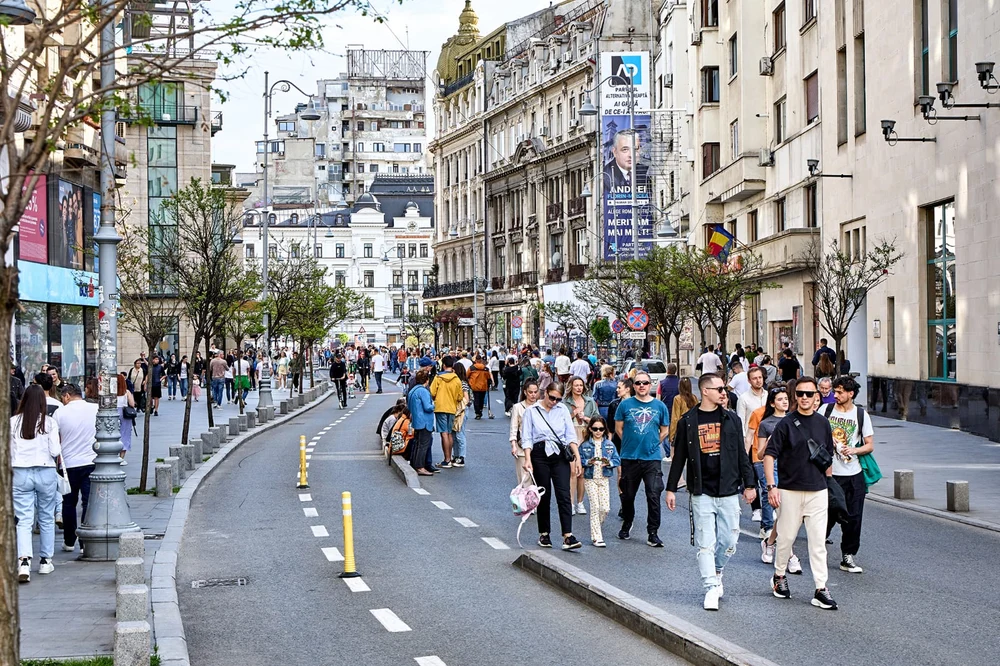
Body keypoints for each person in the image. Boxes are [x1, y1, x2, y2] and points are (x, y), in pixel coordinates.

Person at [665, 372, 756, 611]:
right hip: (701, 490)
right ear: (705, 391)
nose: (723, 393)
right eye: (719, 389)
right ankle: (710, 588)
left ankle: (718, 569)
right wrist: (671, 488)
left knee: (729, 540)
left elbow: (741, 455)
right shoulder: (688, 421)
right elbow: (679, 458)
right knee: (705, 543)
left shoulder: (732, 419)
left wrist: (749, 484)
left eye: (724, 389)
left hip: (728, 489)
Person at [763, 376, 838, 611]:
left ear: (817, 396)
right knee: (786, 538)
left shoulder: (823, 424)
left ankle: (820, 588)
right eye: (801, 394)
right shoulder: (785, 424)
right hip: (789, 490)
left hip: (817, 491)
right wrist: (771, 486)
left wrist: (829, 482)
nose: (805, 398)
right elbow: (769, 455)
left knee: (817, 543)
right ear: (795, 396)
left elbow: (827, 456)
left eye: (810, 394)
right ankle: (779, 576)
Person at [520, 382, 583, 551]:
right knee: (544, 495)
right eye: (552, 397)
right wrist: (527, 459)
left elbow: (570, 435)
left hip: (559, 454)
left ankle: (568, 536)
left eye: (558, 399)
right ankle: (544, 533)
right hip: (539, 454)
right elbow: (526, 437)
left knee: (564, 494)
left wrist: (577, 458)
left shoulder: (562, 410)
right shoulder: (531, 411)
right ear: (545, 393)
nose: (554, 402)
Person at [822, 376, 874, 574]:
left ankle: (848, 555)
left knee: (854, 517)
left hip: (854, 473)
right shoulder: (825, 411)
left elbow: (869, 445)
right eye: (835, 391)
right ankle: (818, 547)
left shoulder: (861, 415)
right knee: (827, 514)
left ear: (850, 394)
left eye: (840, 392)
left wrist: (854, 450)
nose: (836, 395)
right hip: (829, 473)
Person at [614, 371, 670, 547]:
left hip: (652, 458)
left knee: (653, 494)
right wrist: (630, 443)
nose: (642, 386)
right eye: (638, 383)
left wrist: (654, 443)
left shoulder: (659, 406)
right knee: (628, 495)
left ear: (650, 384)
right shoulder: (625, 405)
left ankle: (653, 532)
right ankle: (627, 522)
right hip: (630, 457)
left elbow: (665, 429)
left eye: (645, 383)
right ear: (634, 386)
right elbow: (618, 428)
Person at [12, 385, 61, 583]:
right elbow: (56, 451)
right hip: (45, 472)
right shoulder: (49, 423)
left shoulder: (13, 423)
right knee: (46, 517)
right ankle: (45, 561)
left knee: (23, 519)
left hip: (20, 472)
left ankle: (23, 561)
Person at [756, 386, 801, 570]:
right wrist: (769, 442)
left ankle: (770, 541)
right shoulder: (766, 424)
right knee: (784, 512)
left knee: (787, 514)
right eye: (780, 399)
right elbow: (759, 455)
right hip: (773, 467)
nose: (784, 402)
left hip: (792, 469)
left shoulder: (794, 421)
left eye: (786, 399)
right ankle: (790, 557)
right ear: (772, 403)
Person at [55, 383, 98, 554]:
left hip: (69, 464)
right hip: (91, 460)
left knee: (69, 503)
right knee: (88, 502)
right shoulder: (95, 408)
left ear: (66, 396)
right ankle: (85, 542)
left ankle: (69, 540)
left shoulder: (60, 412)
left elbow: (56, 438)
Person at [579, 416, 621, 547]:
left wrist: (608, 463)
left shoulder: (609, 444)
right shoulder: (585, 445)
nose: (598, 432)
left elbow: (617, 459)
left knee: (605, 508)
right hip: (590, 478)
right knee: (595, 507)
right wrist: (588, 462)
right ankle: (597, 536)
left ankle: (596, 524)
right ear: (590, 429)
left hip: (604, 478)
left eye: (601, 429)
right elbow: (579, 459)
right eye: (595, 429)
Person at [564, 376, 599, 515]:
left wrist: (586, 418)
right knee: (572, 471)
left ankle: (580, 502)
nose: (578, 388)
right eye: (576, 385)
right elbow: (561, 420)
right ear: (571, 386)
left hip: (585, 436)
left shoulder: (590, 401)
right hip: (571, 437)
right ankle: (571, 503)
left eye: (580, 385)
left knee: (582, 473)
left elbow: (597, 420)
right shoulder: (565, 402)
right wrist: (574, 413)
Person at [430, 356, 463, 469]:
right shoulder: (456, 379)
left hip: (440, 407)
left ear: (444, 365)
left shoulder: (438, 378)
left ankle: (447, 459)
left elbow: (432, 392)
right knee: (449, 433)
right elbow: (460, 397)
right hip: (452, 408)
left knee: (443, 433)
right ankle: (450, 458)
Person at [406, 368, 436, 476]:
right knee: (424, 445)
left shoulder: (412, 390)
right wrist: (434, 405)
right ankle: (420, 467)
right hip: (424, 421)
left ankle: (415, 464)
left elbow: (409, 406)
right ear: (426, 380)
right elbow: (428, 407)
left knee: (418, 444)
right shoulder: (423, 391)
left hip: (416, 421)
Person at [509, 380, 540, 483]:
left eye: (535, 392)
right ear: (525, 392)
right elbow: (514, 428)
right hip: (522, 447)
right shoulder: (517, 407)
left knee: (538, 480)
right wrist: (513, 445)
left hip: (538, 448)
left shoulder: (541, 407)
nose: (533, 395)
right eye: (530, 392)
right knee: (525, 480)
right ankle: (524, 499)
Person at [450, 362, 472, 467]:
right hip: (459, 410)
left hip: (461, 410)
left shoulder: (461, 383)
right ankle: (456, 455)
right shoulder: (460, 382)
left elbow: (466, 399)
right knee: (454, 433)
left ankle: (461, 457)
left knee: (459, 433)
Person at [668, 377, 699, 452]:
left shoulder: (677, 398)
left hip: (681, 429)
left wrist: (672, 434)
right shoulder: (694, 398)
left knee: (676, 455)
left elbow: (675, 417)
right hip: (692, 429)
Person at [117, 374, 136, 465]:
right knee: (125, 435)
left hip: (114, 413)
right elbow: (132, 404)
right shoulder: (126, 392)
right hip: (125, 414)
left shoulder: (112, 393)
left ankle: (114, 455)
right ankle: (122, 457)